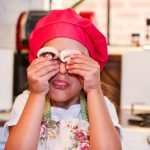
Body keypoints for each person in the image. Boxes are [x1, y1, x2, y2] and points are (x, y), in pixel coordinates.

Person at [4, 8, 122, 150]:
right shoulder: (25, 102)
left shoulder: (102, 105)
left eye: (73, 59)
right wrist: (37, 94)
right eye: (50, 57)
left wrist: (94, 91)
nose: (61, 70)